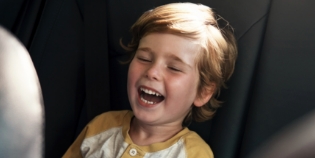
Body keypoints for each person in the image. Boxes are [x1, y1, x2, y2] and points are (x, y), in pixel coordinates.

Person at [63, 2, 237, 158]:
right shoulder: (101, 127)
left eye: (174, 68)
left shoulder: (195, 154)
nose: (152, 71)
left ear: (202, 92)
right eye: (144, 58)